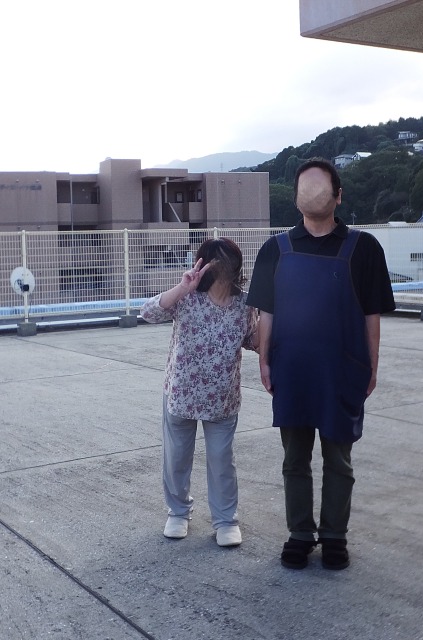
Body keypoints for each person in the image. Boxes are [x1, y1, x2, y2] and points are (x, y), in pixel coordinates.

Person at [246, 158, 395, 570]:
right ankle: (299, 533)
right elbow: (266, 313)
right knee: (294, 458)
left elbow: (371, 315)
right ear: (297, 199)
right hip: (291, 369)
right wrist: (264, 361)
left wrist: (372, 366)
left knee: (339, 459)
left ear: (338, 196)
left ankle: (334, 535)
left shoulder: (364, 247)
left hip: (343, 368)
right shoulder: (275, 249)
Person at [141, 238, 258, 547]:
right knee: (176, 459)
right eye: (215, 262)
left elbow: (254, 341)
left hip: (222, 400)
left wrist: (272, 318)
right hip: (181, 395)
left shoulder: (245, 304)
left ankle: (226, 520)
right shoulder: (187, 298)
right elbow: (148, 312)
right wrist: (182, 287)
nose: (222, 269)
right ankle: (178, 512)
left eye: (227, 262)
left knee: (221, 460)